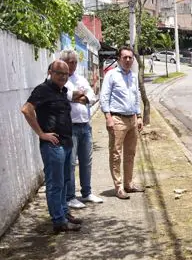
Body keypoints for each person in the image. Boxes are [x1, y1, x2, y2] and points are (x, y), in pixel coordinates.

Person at [21, 60, 83, 232]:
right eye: (59, 73)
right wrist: (41, 133)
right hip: (53, 146)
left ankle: (64, 212)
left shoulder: (63, 91)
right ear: (50, 72)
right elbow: (26, 109)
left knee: (64, 181)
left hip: (66, 143)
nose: (63, 76)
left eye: (66, 74)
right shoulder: (42, 90)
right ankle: (58, 221)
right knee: (55, 184)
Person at [60, 49, 104, 209]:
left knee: (86, 161)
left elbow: (92, 95)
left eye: (75, 62)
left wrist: (82, 97)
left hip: (85, 125)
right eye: (70, 62)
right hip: (69, 127)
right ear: (64, 62)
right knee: (71, 163)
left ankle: (87, 192)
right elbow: (66, 96)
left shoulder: (80, 78)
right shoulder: (59, 79)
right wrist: (77, 95)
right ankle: (70, 196)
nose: (73, 65)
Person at [100, 46, 145, 200]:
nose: (127, 60)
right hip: (117, 118)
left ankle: (128, 183)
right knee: (116, 154)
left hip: (132, 118)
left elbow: (136, 96)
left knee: (130, 153)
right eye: (124, 57)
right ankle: (118, 187)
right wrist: (108, 117)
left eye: (130, 58)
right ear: (118, 58)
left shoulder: (133, 76)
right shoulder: (111, 75)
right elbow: (104, 96)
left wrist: (139, 116)